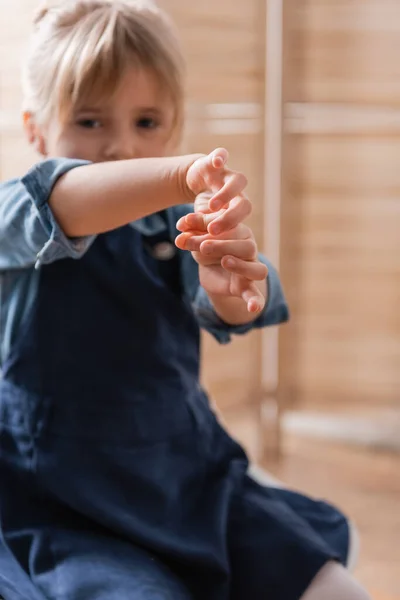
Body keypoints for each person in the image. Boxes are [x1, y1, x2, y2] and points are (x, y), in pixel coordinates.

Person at [0, 1, 371, 599]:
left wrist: (234, 286)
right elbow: (66, 199)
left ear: (174, 126)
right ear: (37, 130)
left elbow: (240, 303)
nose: (120, 147)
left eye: (147, 123)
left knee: (335, 586)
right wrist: (179, 175)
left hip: (187, 479)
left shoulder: (176, 227)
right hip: (67, 503)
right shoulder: (17, 212)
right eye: (90, 122)